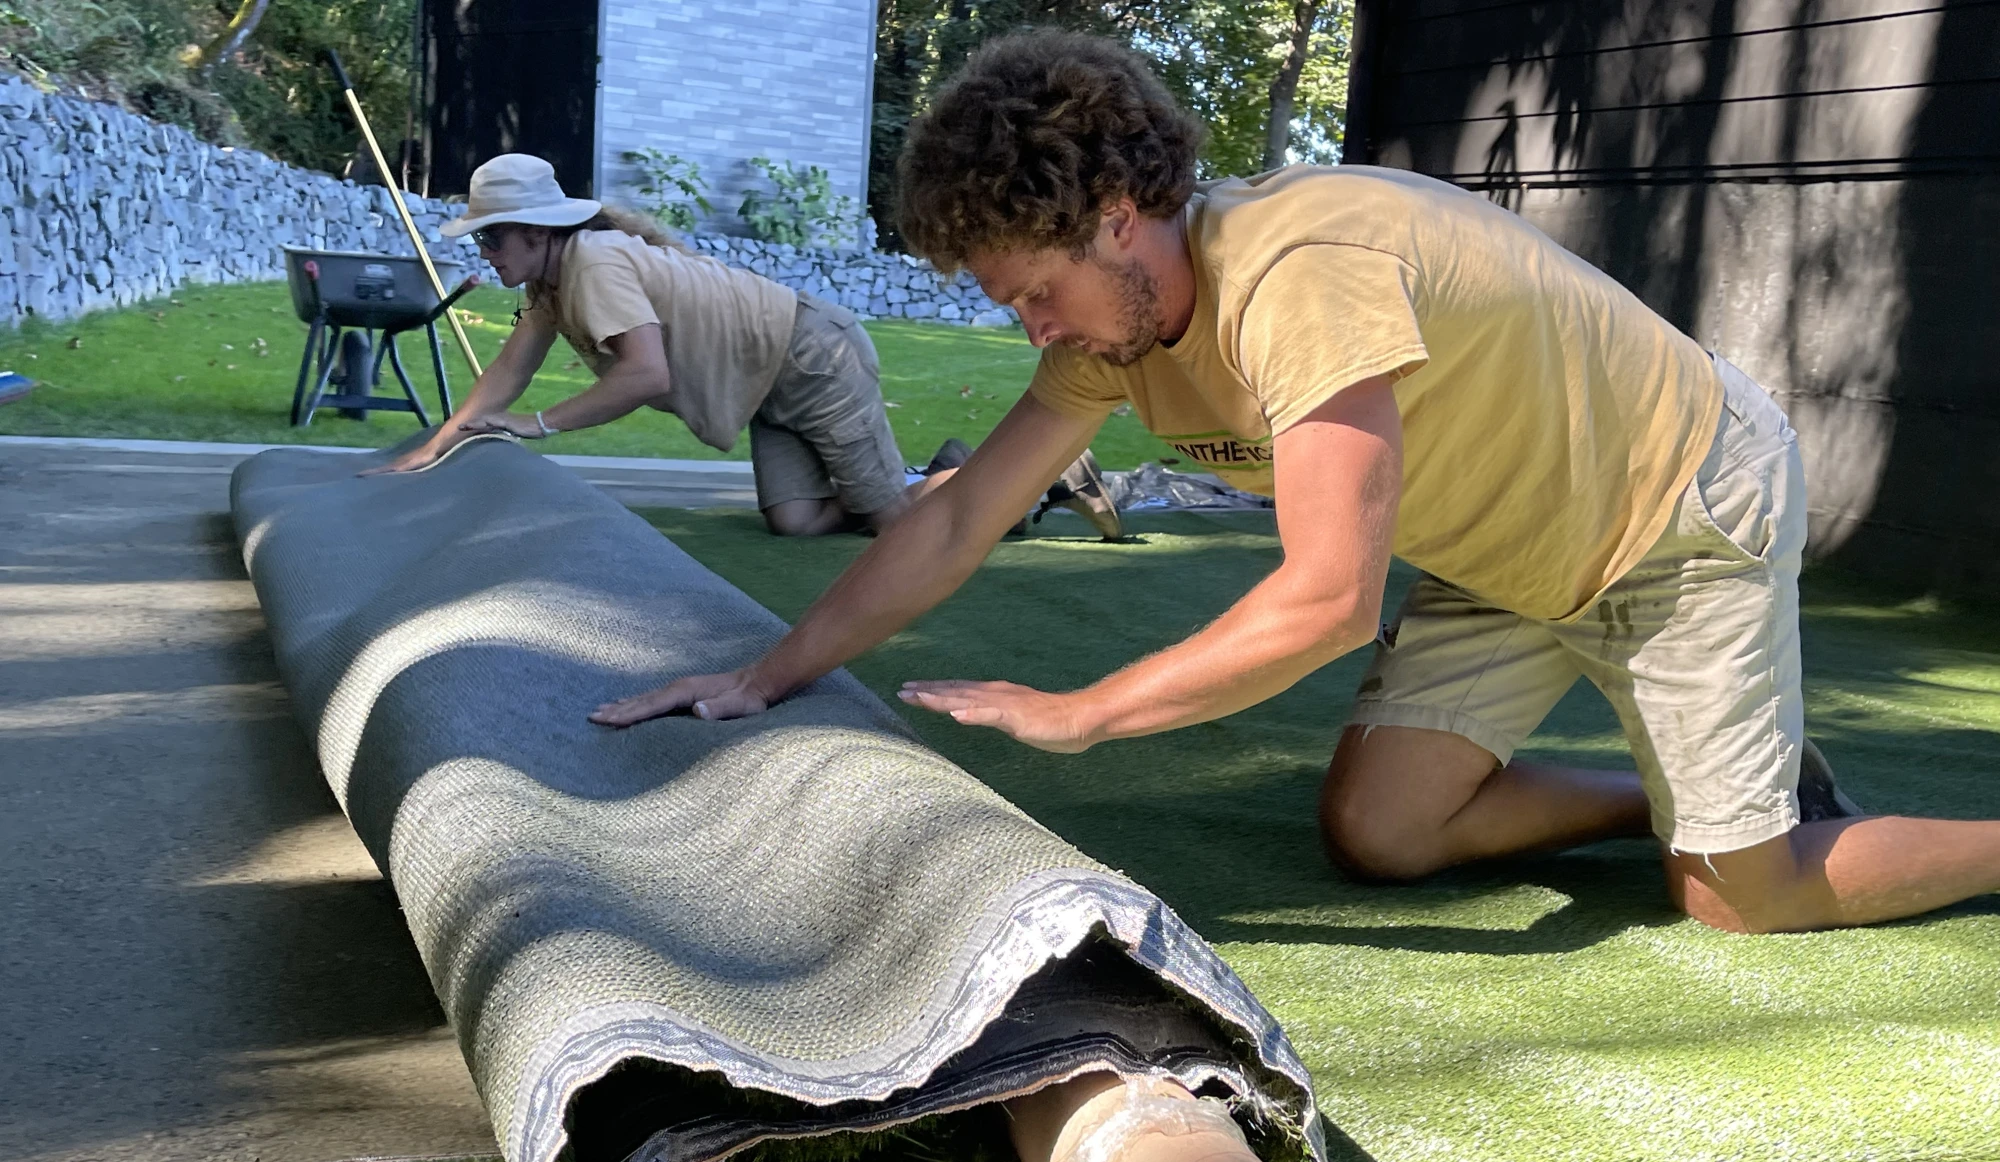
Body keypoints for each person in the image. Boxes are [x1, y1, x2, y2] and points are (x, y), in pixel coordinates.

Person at [590, 32, 2000, 936]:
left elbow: (1326, 598)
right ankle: (1676, 789)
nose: (1035, 331)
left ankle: (1804, 828)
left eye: (1033, 294)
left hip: (1683, 515)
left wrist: (1088, 711)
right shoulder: (1117, 328)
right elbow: (958, 511)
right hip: (1510, 554)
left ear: (1118, 219)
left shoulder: (1297, 273)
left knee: (1740, 897)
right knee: (1381, 832)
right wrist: (769, 675)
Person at [372, 153, 1118, 536]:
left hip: (813, 356)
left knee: (892, 522)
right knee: (794, 525)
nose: (488, 252)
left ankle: (1040, 479)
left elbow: (642, 374)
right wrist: (436, 446)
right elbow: (508, 369)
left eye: (493, 237)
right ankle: (940, 474)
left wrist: (536, 427)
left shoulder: (594, 263)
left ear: (536, 232)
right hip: (770, 388)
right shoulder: (552, 283)